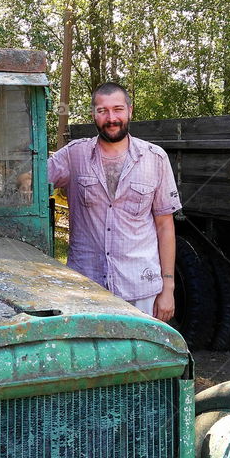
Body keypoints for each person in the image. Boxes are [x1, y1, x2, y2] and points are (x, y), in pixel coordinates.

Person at [48, 82, 181, 321]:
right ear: (93, 115)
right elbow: (31, 179)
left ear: (130, 110)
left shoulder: (155, 158)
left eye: (118, 109)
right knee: (90, 356)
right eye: (103, 111)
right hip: (86, 288)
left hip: (140, 288)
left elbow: (165, 225)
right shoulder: (73, 155)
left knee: (141, 357)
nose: (111, 118)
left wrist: (168, 288)